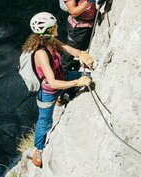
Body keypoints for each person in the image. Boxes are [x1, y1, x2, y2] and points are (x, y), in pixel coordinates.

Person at [24, 12, 93, 168]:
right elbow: (53, 83)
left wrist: (81, 54)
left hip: (63, 76)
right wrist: (77, 82)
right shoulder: (41, 54)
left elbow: (66, 48)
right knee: (45, 122)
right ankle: (38, 150)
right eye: (54, 26)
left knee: (91, 76)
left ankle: (62, 98)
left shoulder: (50, 40)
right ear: (48, 30)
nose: (57, 27)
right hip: (49, 90)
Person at [58, 0, 110, 72]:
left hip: (92, 21)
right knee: (70, 54)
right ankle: (63, 75)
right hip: (77, 27)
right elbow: (73, 12)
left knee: (86, 48)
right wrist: (88, 1)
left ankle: (79, 69)